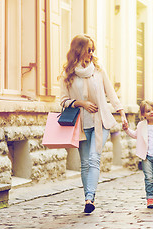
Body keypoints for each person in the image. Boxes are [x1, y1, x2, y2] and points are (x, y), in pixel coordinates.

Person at [59, 34, 127, 213]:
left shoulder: (98, 69)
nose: (91, 53)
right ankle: (88, 197)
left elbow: (111, 93)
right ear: (78, 50)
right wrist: (81, 103)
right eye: (88, 49)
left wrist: (122, 114)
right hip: (80, 125)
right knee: (85, 163)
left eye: (92, 50)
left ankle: (90, 198)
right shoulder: (68, 74)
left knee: (94, 159)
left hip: (100, 122)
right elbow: (63, 101)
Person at [122, 100, 153, 208]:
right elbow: (135, 135)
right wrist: (127, 129)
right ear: (143, 114)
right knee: (149, 178)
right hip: (146, 156)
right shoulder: (141, 125)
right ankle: (150, 198)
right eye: (148, 111)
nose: (152, 112)